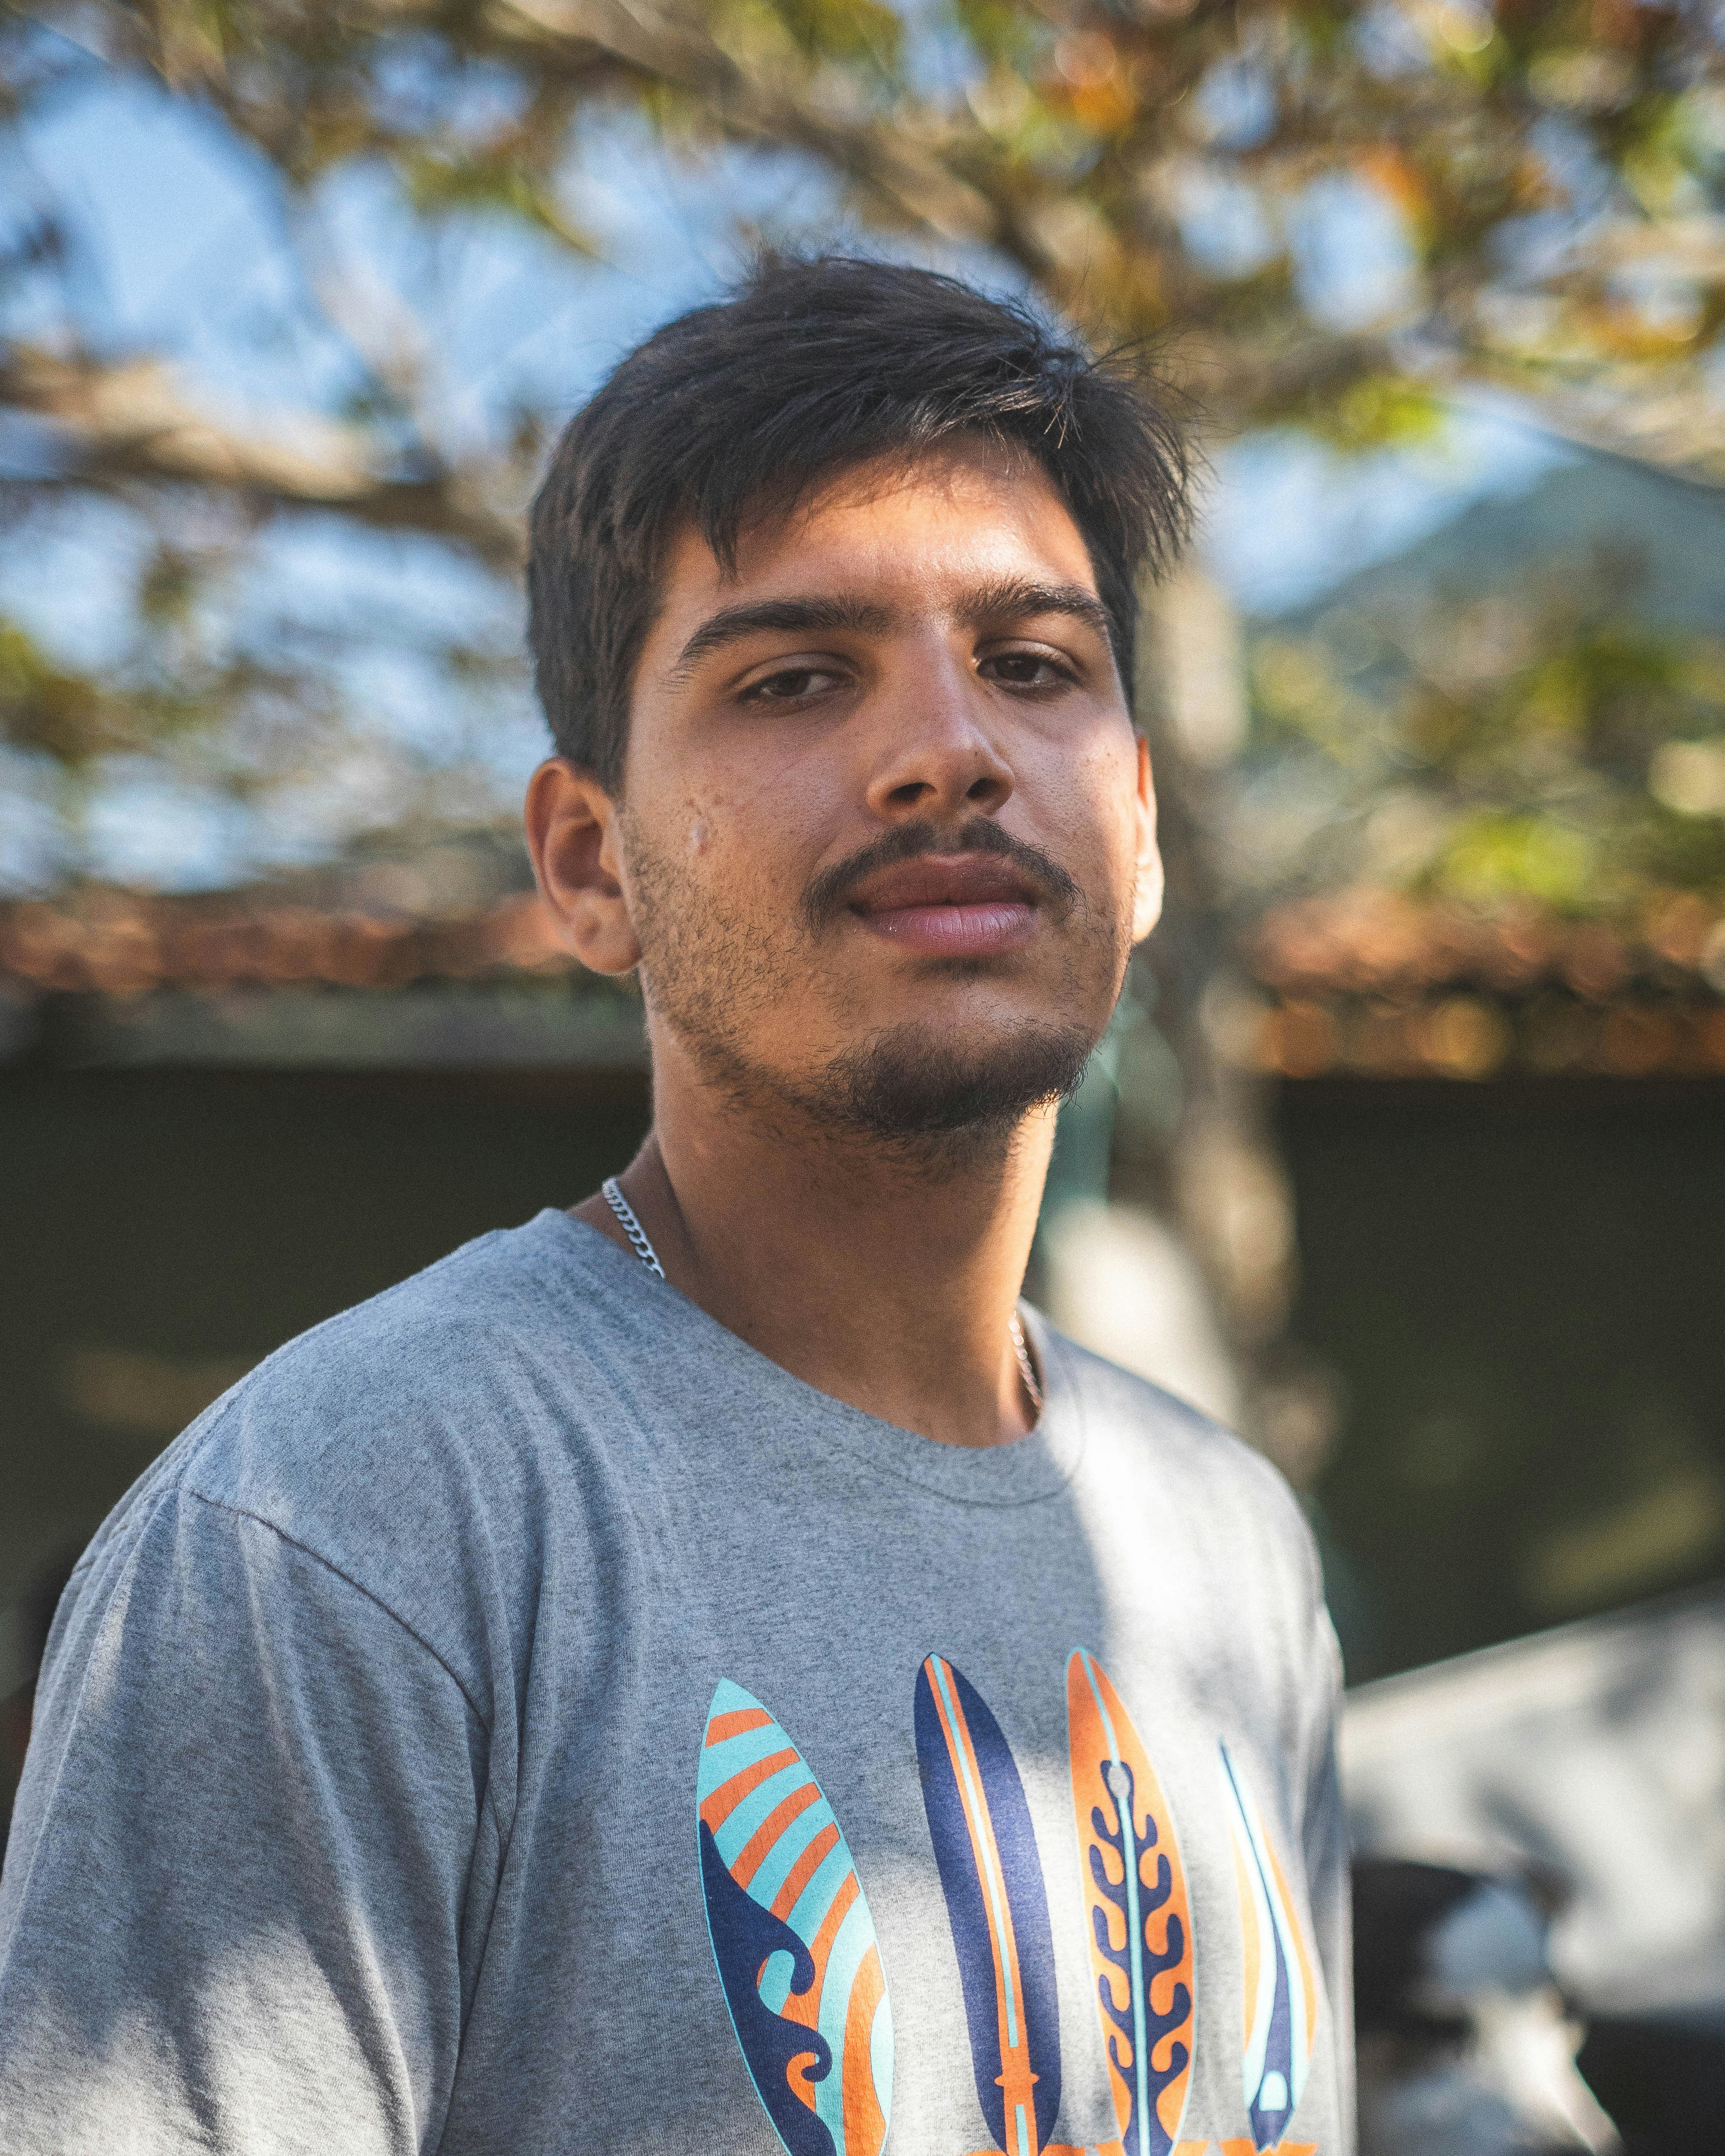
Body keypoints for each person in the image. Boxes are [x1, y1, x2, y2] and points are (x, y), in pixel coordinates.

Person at [0, 256, 1353, 2156]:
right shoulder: (346, 1530)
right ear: (587, 860)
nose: (950, 746)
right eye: (798, 675)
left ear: (1134, 824)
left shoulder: (1225, 1547)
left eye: (1032, 663)